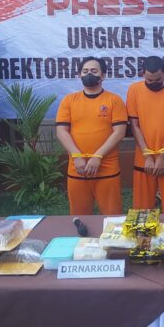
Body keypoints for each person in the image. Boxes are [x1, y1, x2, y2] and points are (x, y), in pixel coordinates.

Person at [55, 57, 127, 215]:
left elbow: (119, 132)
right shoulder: (69, 100)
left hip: (106, 167)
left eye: (94, 71)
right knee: (79, 216)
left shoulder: (114, 100)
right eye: (85, 71)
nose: (89, 74)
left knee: (112, 216)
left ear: (103, 75)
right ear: (79, 75)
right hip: (77, 166)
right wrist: (77, 156)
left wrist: (98, 157)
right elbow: (61, 131)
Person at [126, 56, 164, 213]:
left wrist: (162, 156)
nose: (153, 83)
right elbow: (134, 125)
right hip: (143, 156)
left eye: (158, 80)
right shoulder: (134, 90)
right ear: (142, 74)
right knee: (142, 210)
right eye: (149, 80)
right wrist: (147, 155)